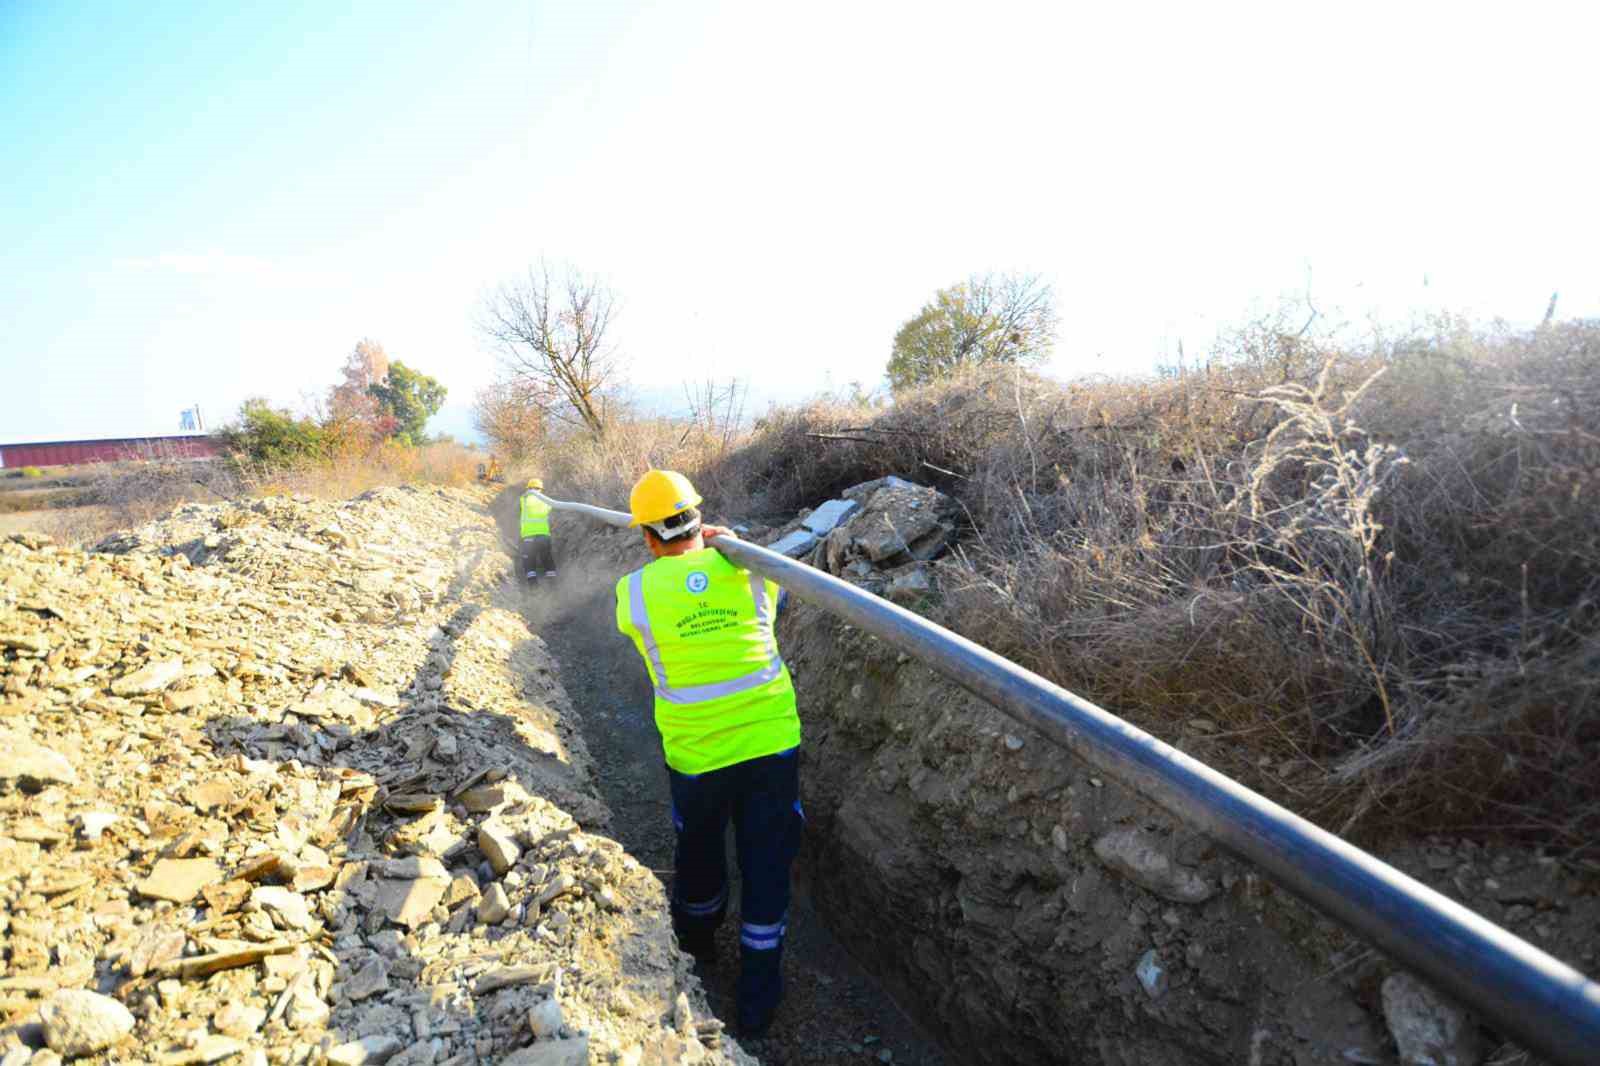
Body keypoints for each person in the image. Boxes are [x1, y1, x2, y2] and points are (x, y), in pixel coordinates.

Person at [614, 469, 802, 1038]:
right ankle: (757, 1002)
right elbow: (780, 591)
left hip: (696, 757)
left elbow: (639, 616)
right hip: (771, 747)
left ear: (647, 537)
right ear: (701, 519)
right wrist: (730, 546)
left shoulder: (635, 594)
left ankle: (695, 949)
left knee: (698, 852)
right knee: (767, 865)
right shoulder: (752, 573)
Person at [519, 478, 555, 585]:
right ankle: (553, 585)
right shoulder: (547, 501)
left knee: (529, 560)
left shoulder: (523, 500)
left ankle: (533, 587)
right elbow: (549, 509)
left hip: (528, 537)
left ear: (528, 488)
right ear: (541, 489)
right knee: (547, 558)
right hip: (544, 536)